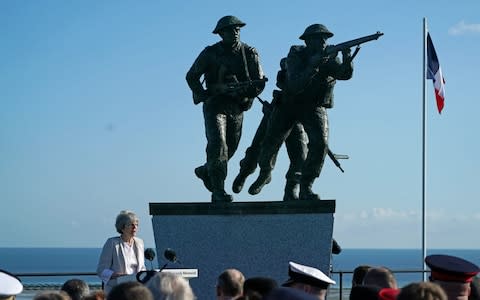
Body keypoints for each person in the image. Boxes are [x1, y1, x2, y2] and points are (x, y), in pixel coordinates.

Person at [248, 23, 353, 200]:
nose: (323, 42)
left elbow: (344, 75)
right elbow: (295, 84)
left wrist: (347, 57)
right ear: (308, 41)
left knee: (320, 144)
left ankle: (306, 186)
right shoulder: (296, 54)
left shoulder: (329, 57)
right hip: (288, 105)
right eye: (318, 39)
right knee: (269, 146)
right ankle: (265, 172)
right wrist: (313, 66)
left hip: (313, 107)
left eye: (325, 39)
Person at [186, 15, 266, 203]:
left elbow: (260, 82)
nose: (235, 32)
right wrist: (204, 93)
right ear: (221, 34)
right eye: (230, 30)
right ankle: (218, 190)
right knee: (218, 145)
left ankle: (207, 170)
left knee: (231, 146)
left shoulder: (249, 53)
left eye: (237, 29)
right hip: (215, 105)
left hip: (237, 106)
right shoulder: (210, 53)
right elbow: (191, 76)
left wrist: (247, 92)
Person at [232, 58, 308, 201]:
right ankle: (247, 172)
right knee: (260, 146)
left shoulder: (313, 70)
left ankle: (291, 189)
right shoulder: (291, 68)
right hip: (278, 111)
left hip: (299, 117)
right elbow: (284, 77)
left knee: (300, 156)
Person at [97, 210, 146, 294]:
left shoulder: (140, 242)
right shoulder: (112, 243)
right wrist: (116, 275)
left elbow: (142, 267)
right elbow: (101, 270)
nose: (135, 227)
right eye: (131, 225)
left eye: (136, 225)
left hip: (136, 289)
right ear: (122, 227)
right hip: (117, 289)